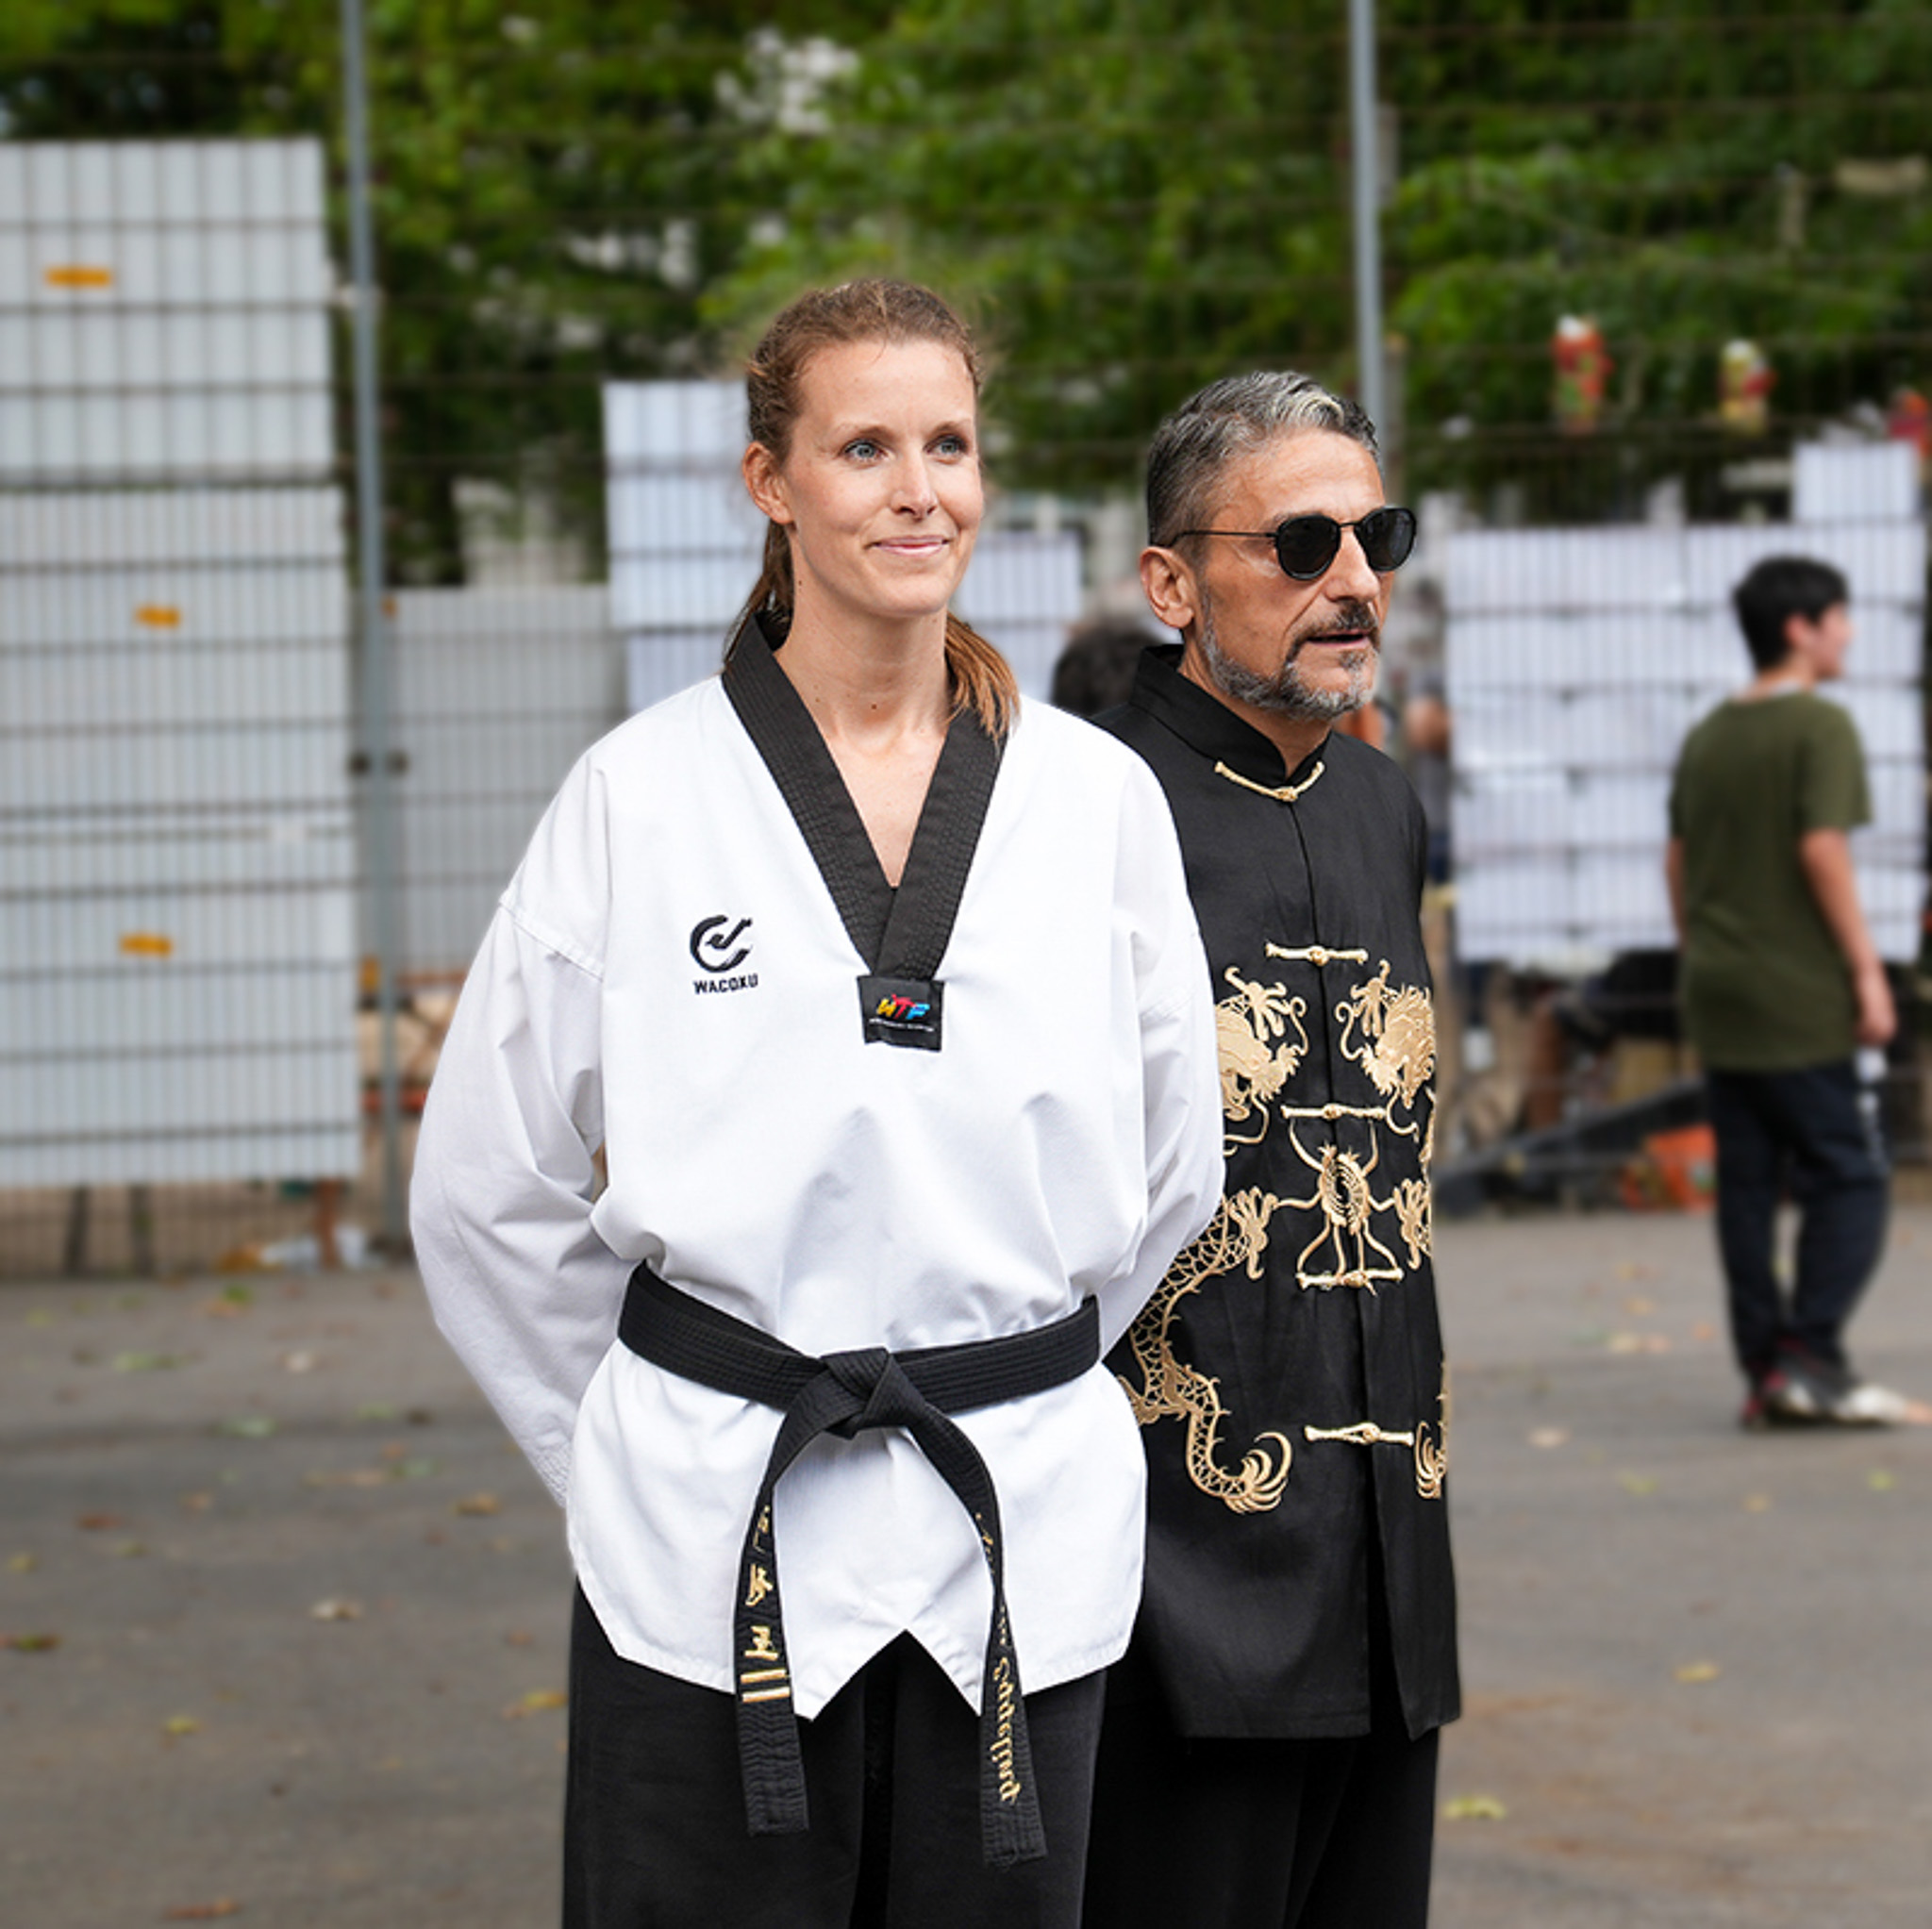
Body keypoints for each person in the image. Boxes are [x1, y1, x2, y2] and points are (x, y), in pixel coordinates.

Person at [410, 279, 1223, 1928]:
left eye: (950, 445)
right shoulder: (642, 797)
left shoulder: (1094, 802)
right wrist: (640, 1441)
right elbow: (483, 1187)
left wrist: (998, 1354)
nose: (919, 491)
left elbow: (1169, 1173)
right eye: (864, 449)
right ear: (769, 482)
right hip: (709, 1538)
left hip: (1013, 1530)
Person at [1082, 374, 1458, 1929]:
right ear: (1172, 583)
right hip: (1167, 1578)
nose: (1353, 579)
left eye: (1378, 536)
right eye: (1301, 543)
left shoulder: (1380, 804)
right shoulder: (1077, 812)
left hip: (1391, 1562)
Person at [1667, 555, 1910, 1428]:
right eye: (1840, 618)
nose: (1849, 633)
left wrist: (1705, 952)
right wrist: (1867, 971)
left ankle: (1767, 1369)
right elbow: (1822, 849)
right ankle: (1811, 1356)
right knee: (1852, 1173)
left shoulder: (1710, 734)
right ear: (1801, 629)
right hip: (1797, 993)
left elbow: (1677, 861)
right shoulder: (1819, 725)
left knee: (1747, 1185)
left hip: (1720, 987)